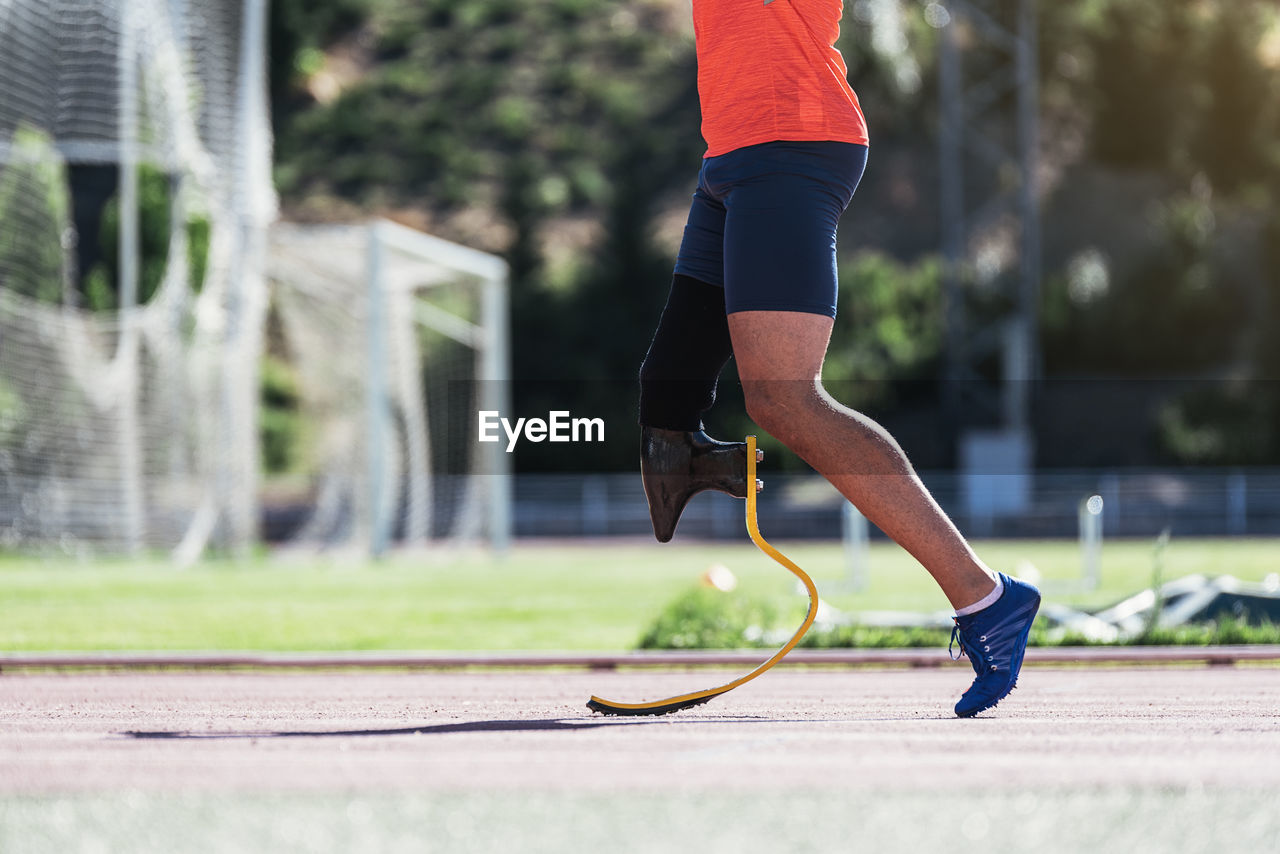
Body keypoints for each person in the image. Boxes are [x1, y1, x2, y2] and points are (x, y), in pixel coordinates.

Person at [636, 0, 1040, 717]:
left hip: (792, 140)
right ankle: (705, 462)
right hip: (731, 152)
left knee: (788, 396)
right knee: (667, 395)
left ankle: (986, 599)